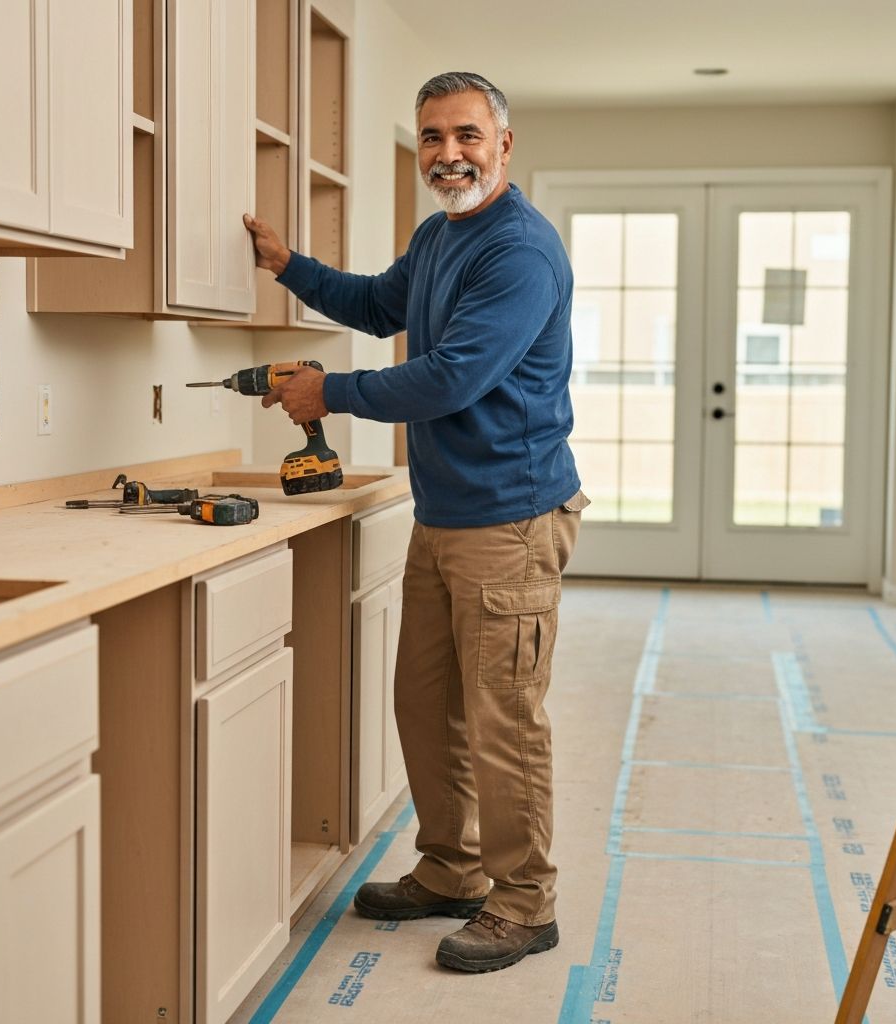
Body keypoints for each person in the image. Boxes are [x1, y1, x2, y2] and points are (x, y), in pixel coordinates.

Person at [243, 71, 587, 974]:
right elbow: (379, 305)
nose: (448, 154)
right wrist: (290, 268)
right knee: (427, 706)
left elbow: (452, 377)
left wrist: (332, 393)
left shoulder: (518, 252)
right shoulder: (441, 235)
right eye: (433, 138)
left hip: (510, 519)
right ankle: (453, 871)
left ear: (504, 145)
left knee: (504, 719)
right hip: (445, 515)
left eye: (467, 136)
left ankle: (525, 904)